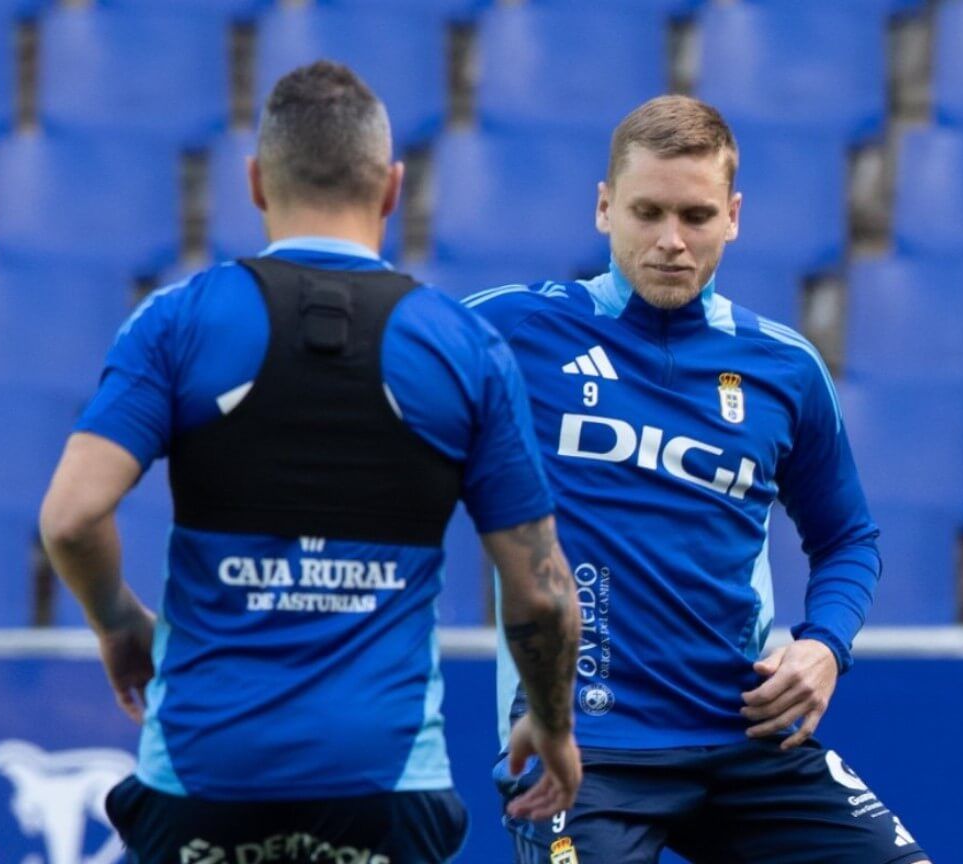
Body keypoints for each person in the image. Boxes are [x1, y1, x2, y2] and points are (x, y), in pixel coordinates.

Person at [38, 61, 581, 864]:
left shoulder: (177, 322)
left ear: (256, 182)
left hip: (203, 771)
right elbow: (539, 591)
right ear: (392, 188)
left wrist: (118, 625)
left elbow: (71, 519)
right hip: (383, 781)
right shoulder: (463, 346)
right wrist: (553, 722)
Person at [466, 95, 930, 863]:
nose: (671, 241)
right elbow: (378, 381)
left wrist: (824, 646)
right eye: (647, 212)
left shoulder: (785, 368)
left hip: (744, 735)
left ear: (733, 217)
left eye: (696, 216)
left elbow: (848, 538)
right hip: (580, 748)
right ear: (604, 207)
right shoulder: (510, 332)